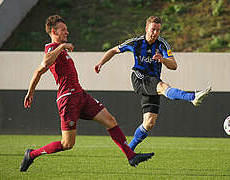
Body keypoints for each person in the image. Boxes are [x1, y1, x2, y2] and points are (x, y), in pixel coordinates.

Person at [20, 15, 154, 172]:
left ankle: (131, 156)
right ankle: (32, 155)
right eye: (63, 30)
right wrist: (31, 91)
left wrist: (30, 92)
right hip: (67, 99)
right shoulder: (51, 48)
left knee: (110, 120)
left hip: (80, 95)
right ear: (54, 31)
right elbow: (44, 65)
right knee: (67, 144)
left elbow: (41, 70)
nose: (67, 32)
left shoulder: (59, 50)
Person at [94, 16, 211, 151]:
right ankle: (192, 97)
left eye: (158, 30)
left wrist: (162, 59)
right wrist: (100, 63)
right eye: (153, 29)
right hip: (139, 78)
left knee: (149, 123)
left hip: (152, 81)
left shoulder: (162, 44)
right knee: (162, 87)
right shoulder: (135, 42)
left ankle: (129, 150)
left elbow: (174, 66)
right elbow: (113, 50)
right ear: (146, 29)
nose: (155, 33)